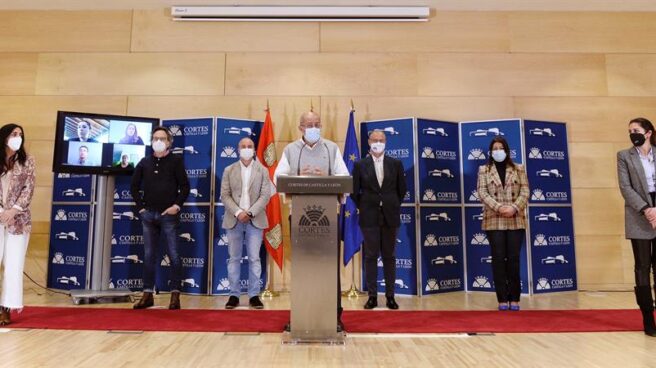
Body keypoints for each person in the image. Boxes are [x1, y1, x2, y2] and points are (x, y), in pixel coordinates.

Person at [274, 111, 349, 332]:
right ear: (300, 128)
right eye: (309, 124)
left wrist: (325, 179)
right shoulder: (291, 150)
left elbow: (344, 178)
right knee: (303, 267)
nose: (314, 127)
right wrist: (300, 178)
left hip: (327, 218)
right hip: (299, 217)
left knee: (328, 267)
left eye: (317, 124)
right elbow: (278, 178)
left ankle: (333, 316)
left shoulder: (331, 148)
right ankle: (299, 315)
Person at [131, 127, 189, 310]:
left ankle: (175, 295)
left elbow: (185, 187)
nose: (158, 141)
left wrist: (176, 206)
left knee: (174, 255)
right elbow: (133, 187)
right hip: (148, 216)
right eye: (155, 138)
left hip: (168, 216)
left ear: (169, 142)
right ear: (151, 141)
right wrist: (141, 209)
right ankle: (147, 294)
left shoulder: (176, 161)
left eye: (162, 138)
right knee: (148, 256)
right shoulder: (144, 162)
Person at [351, 130, 406, 310]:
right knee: (371, 256)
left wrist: (391, 204)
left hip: (390, 214)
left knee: (389, 256)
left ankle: (390, 296)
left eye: (381, 140)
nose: (378, 142)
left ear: (386, 142)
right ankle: (372, 296)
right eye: (375, 140)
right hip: (369, 216)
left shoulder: (395, 164)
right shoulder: (360, 165)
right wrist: (366, 205)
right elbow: (354, 191)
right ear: (369, 142)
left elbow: (401, 190)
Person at [476, 136, 529, 311]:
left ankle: (515, 298)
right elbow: (482, 192)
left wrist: (514, 207)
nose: (498, 151)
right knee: (498, 259)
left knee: (513, 259)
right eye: (495, 148)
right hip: (494, 220)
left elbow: (526, 190)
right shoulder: (484, 169)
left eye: (501, 147)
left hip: (516, 219)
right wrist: (499, 208)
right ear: (491, 152)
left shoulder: (519, 168)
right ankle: (502, 299)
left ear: (506, 150)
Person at [220, 137, 271, 309]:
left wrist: (249, 212)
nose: (246, 149)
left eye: (250, 146)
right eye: (243, 146)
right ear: (237, 149)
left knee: (254, 259)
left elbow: (265, 195)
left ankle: (254, 295)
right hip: (233, 219)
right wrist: (238, 212)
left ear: (255, 150)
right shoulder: (229, 169)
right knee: (233, 258)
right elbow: (225, 195)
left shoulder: (262, 170)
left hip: (255, 220)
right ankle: (233, 295)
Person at [617, 117, 656, 337]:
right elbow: (625, 186)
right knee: (642, 267)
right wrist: (647, 209)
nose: (633, 133)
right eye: (630, 130)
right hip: (639, 214)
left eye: (637, 130)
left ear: (648, 133)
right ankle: (648, 318)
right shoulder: (624, 156)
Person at [0, 124, 35, 325]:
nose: (18, 137)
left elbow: (28, 189)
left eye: (21, 134)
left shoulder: (27, 160)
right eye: (14, 134)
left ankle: (6, 308)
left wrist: (13, 210)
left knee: (13, 265)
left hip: (19, 220)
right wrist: (2, 212)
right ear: (4, 137)